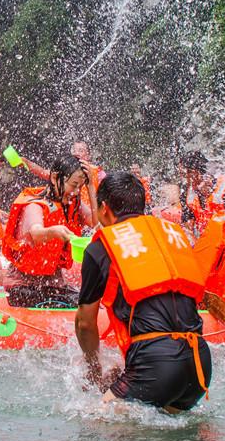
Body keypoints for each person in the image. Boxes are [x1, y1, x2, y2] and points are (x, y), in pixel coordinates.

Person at [75, 171, 214, 413]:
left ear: (105, 208)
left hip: (156, 365)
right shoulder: (173, 236)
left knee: (97, 426)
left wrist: (93, 369)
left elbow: (85, 324)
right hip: (199, 362)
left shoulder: (100, 247)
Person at [1, 154, 94, 307]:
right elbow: (37, 233)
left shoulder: (73, 203)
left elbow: (95, 223)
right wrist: (54, 231)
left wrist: (90, 188)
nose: (76, 192)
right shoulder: (35, 205)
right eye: (74, 185)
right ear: (54, 178)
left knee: (88, 303)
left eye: (81, 186)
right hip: (23, 286)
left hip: (53, 284)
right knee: (79, 306)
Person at [20, 141, 104, 224]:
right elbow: (43, 172)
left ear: (89, 155)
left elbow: (96, 224)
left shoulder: (98, 174)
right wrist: (28, 163)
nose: (77, 153)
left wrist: (90, 186)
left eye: (81, 150)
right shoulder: (36, 206)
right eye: (74, 150)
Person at [178, 151, 225, 236]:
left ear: (195, 173)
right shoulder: (187, 195)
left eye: (184, 175)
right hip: (208, 241)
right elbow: (187, 229)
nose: (182, 179)